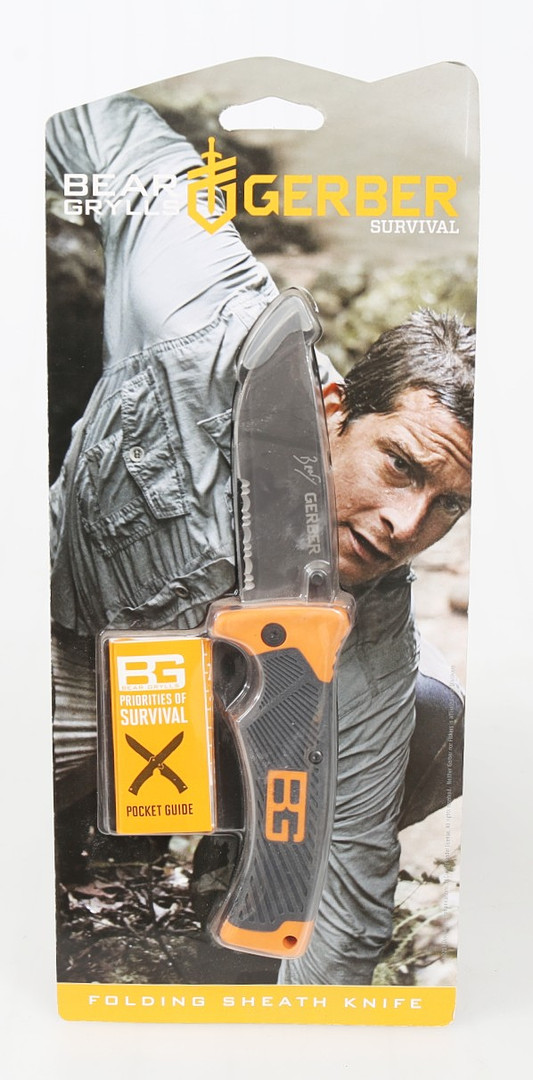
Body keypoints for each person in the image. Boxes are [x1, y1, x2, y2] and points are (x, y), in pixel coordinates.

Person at [46, 93, 474, 986]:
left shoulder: (369, 612)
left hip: (219, 708)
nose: (406, 527)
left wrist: (311, 1024)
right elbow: (101, 128)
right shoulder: (196, 308)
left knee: (431, 718)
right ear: (332, 410)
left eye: (448, 505)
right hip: (63, 653)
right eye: (399, 465)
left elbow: (349, 861)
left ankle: (227, 901)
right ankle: (55, 847)